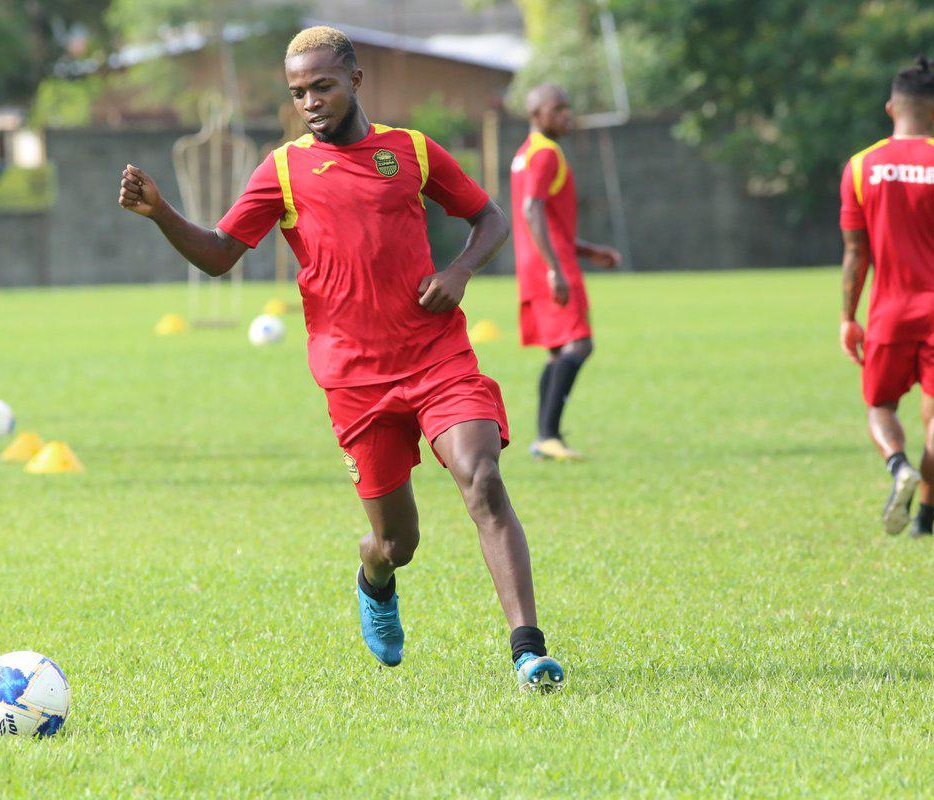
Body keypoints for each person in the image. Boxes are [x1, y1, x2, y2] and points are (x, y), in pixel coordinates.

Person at [119, 26, 566, 691]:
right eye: (299, 92)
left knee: (483, 479)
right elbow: (218, 255)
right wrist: (162, 214)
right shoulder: (282, 170)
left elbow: (490, 217)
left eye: (322, 86)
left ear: (356, 80)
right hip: (354, 379)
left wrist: (462, 271)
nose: (311, 102)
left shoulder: (411, 150)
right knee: (397, 544)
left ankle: (528, 652)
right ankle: (374, 576)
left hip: (436, 353)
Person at [839, 56, 934, 538]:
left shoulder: (860, 168)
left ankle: (898, 466)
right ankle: (925, 524)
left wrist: (847, 317)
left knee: (880, 407)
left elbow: (856, 255)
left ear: (891, 108)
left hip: (888, 311)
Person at [511, 84, 620, 461]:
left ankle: (546, 438)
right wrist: (556, 270)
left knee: (558, 350)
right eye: (558, 108)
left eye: (568, 107)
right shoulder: (545, 154)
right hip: (551, 266)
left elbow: (547, 221)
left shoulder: (524, 154)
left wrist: (590, 250)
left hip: (535, 263)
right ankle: (547, 435)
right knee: (579, 344)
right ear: (536, 114)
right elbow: (531, 210)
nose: (567, 115)